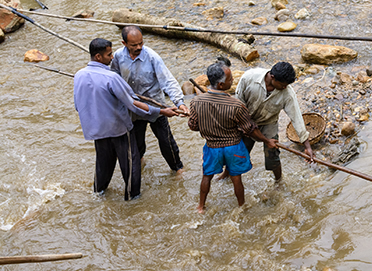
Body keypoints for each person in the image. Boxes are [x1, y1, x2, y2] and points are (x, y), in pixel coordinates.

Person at [74, 38, 178, 200]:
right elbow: (133, 104)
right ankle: (132, 198)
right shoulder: (111, 78)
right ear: (99, 57)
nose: (112, 58)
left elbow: (78, 105)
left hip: (97, 130)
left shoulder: (79, 75)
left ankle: (98, 193)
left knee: (103, 164)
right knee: (131, 164)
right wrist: (162, 111)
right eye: (109, 55)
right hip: (118, 129)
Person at [188, 57, 278, 212]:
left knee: (207, 176)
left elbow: (193, 126)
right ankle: (241, 206)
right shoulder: (236, 105)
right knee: (236, 178)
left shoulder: (196, 102)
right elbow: (249, 129)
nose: (233, 80)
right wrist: (266, 140)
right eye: (230, 79)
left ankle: (201, 206)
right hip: (233, 148)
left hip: (212, 147)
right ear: (221, 84)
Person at [110, 25, 188, 175]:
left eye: (141, 43)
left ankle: (177, 168)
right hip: (134, 107)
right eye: (134, 45)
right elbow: (114, 77)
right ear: (124, 43)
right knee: (136, 141)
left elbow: (168, 81)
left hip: (156, 106)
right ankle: (139, 162)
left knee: (166, 141)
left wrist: (180, 102)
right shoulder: (119, 56)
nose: (139, 47)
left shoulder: (152, 57)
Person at [231, 61, 314, 181]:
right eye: (283, 84)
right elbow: (238, 103)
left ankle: (278, 181)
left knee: (272, 154)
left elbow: (296, 117)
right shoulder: (249, 78)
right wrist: (243, 124)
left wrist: (307, 146)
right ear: (272, 77)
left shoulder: (287, 93)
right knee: (239, 153)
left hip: (268, 122)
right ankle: (227, 175)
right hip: (246, 119)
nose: (285, 87)